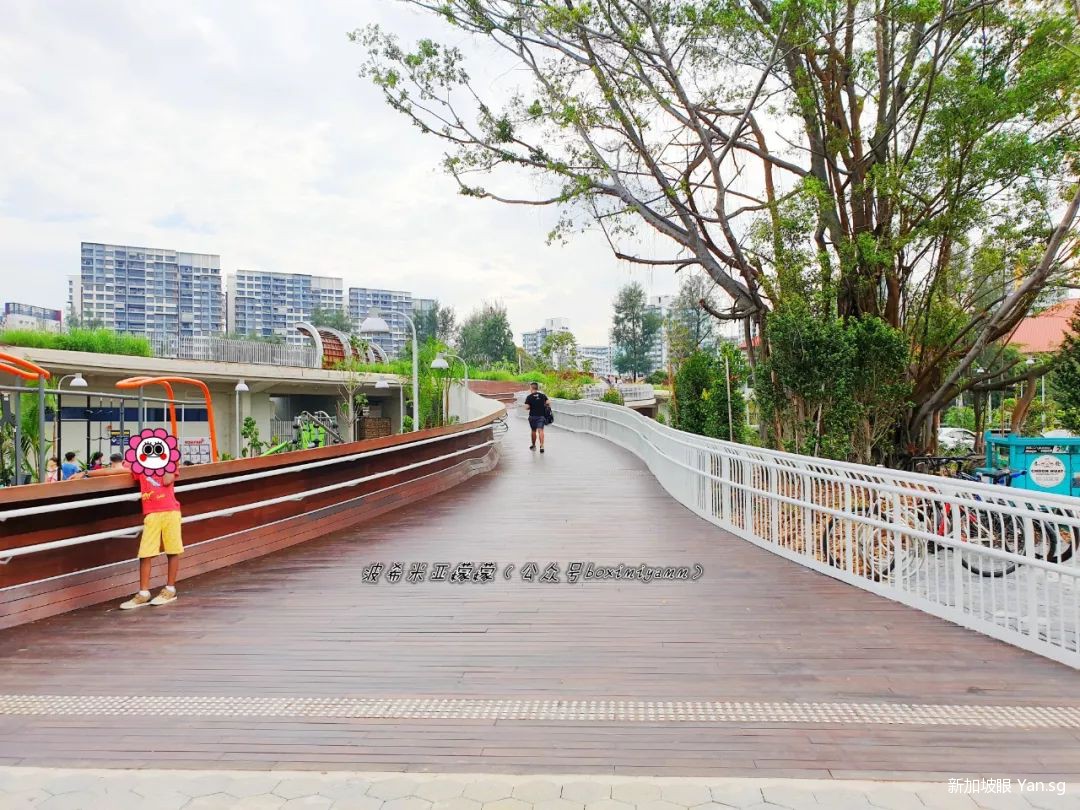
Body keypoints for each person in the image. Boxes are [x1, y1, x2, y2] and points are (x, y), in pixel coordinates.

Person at [86, 456, 184, 609]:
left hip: (170, 511)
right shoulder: (140, 467)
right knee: (145, 553)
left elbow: (167, 480)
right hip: (151, 514)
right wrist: (86, 473)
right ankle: (143, 593)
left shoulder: (170, 464)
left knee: (172, 550)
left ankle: (170, 589)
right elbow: (115, 471)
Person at [524, 382, 549, 453]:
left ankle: (534, 445)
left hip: (533, 416)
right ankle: (542, 446)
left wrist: (532, 406)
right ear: (537, 388)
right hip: (541, 416)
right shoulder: (543, 395)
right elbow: (548, 403)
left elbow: (526, 407)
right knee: (541, 430)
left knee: (533, 431)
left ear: (531, 388)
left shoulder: (529, 397)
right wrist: (543, 406)